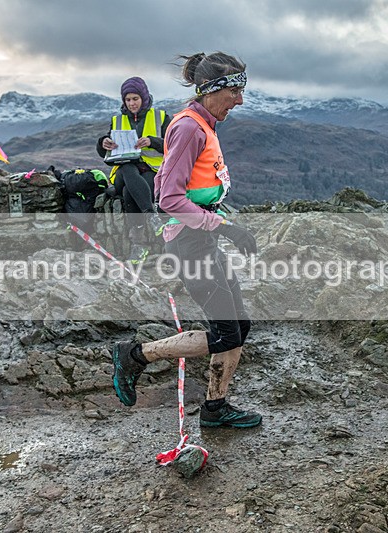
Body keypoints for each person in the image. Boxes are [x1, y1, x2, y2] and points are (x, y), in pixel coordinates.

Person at [111, 52, 261, 428]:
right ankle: (135, 355)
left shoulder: (206, 124)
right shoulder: (189, 128)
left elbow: (198, 189)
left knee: (238, 326)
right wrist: (223, 227)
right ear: (213, 90)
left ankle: (215, 408)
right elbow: (169, 198)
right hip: (188, 242)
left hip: (202, 237)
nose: (240, 101)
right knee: (226, 331)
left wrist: (224, 218)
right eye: (235, 92)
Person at [96, 77, 170, 263]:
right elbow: (106, 153)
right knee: (128, 168)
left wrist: (152, 141)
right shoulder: (117, 120)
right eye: (128, 100)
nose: (131, 103)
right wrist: (103, 143)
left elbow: (174, 145)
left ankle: (139, 245)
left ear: (143, 97)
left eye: (135, 99)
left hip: (151, 170)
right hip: (122, 172)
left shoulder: (161, 117)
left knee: (131, 192)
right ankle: (151, 216)